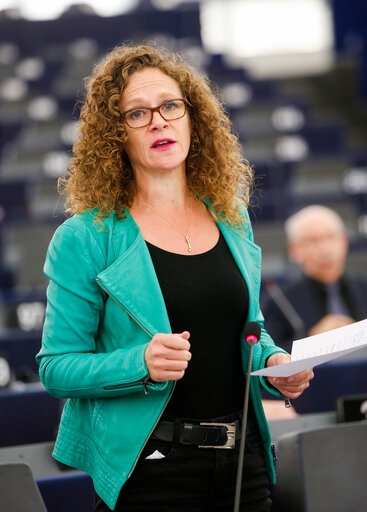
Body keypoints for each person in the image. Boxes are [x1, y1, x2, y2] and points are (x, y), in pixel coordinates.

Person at [36, 44, 313, 512]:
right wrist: (138, 362)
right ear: (115, 135)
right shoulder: (84, 237)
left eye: (169, 106)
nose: (159, 121)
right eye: (137, 114)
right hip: (152, 471)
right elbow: (56, 367)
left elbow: (249, 332)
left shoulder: (231, 216)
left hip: (243, 463)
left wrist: (276, 366)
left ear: (192, 117)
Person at [262, 205, 367, 353]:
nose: (325, 250)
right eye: (312, 241)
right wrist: (313, 341)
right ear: (294, 249)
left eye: (331, 237)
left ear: (344, 242)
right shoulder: (279, 303)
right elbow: (271, 356)